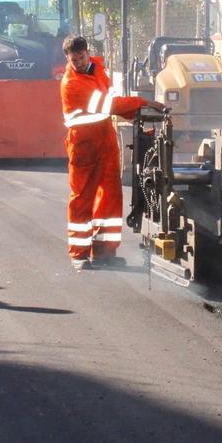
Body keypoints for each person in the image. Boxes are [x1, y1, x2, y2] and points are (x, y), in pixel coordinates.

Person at [60, 36, 164, 271]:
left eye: (81, 57)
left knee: (110, 196)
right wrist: (142, 103)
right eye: (73, 59)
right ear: (67, 58)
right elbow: (107, 105)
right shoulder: (71, 83)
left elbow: (110, 105)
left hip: (104, 140)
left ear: (88, 53)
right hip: (83, 144)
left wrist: (136, 116)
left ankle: (104, 252)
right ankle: (79, 254)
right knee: (82, 199)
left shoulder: (98, 70)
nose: (77, 62)